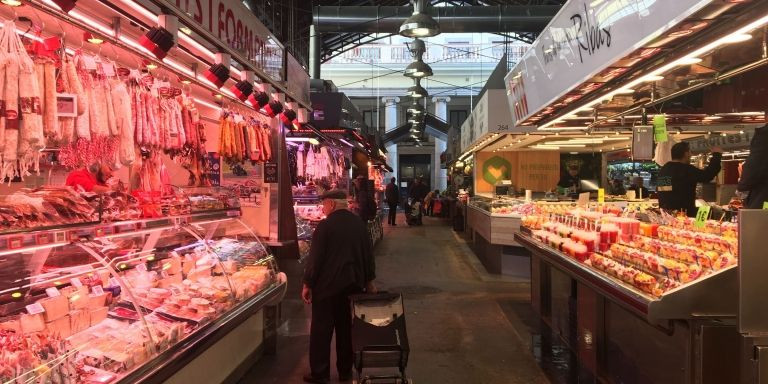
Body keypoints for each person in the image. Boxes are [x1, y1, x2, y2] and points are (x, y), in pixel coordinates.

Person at [302, 190, 377, 384]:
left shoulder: (325, 227)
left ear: (332, 204)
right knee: (346, 331)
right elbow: (368, 255)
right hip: (352, 287)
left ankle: (320, 373)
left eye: (324, 204)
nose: (323, 209)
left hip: (326, 289)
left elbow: (315, 260)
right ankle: (345, 372)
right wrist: (369, 281)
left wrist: (308, 283)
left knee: (321, 331)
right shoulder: (359, 225)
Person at [657, 142, 722, 217]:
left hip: (666, 215)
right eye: (690, 152)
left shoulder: (664, 170)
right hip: (684, 216)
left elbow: (665, 192)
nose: (691, 155)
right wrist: (717, 155)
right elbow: (707, 175)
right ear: (686, 153)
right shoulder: (686, 170)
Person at [738, 125, 768, 209]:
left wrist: (742, 185)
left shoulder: (764, 135)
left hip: (764, 198)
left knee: (761, 220)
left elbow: (754, 165)